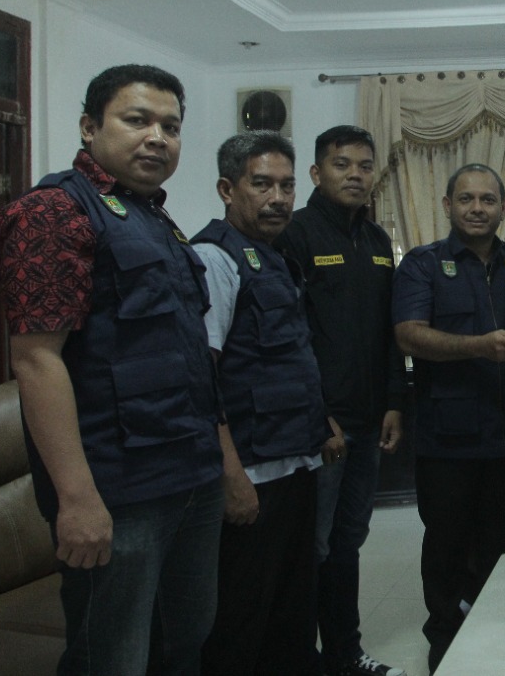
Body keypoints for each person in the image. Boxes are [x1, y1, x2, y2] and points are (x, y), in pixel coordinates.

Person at [0, 64, 223, 676]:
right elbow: (36, 359)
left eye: (171, 126)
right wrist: (77, 498)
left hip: (189, 472)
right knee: (112, 657)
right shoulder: (54, 212)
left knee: (185, 641)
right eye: (137, 120)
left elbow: (186, 353)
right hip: (119, 489)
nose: (157, 138)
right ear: (90, 127)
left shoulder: (153, 216)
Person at [392, 163, 505, 674]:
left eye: (487, 199)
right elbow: (409, 335)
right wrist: (479, 346)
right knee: (447, 545)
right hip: (449, 437)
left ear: (504, 206)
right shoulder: (423, 264)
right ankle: (445, 640)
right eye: (466, 199)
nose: (477, 208)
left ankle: (498, 637)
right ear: (447, 205)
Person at [193, 132, 333, 676]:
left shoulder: (273, 257)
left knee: (291, 616)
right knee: (241, 622)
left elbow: (286, 360)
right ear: (228, 189)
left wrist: (322, 424)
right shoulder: (214, 258)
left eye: (287, 186)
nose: (278, 198)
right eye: (262, 185)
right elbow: (202, 379)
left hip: (294, 464)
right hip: (251, 473)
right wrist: (231, 476)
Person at [274, 126, 406, 676]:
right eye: (341, 164)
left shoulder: (376, 241)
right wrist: (316, 414)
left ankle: (345, 655)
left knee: (349, 542)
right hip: (321, 426)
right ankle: (299, 658)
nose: (355, 174)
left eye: (364, 166)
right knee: (313, 547)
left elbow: (389, 330)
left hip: (369, 420)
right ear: (316, 173)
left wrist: (395, 400)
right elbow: (288, 337)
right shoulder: (294, 234)